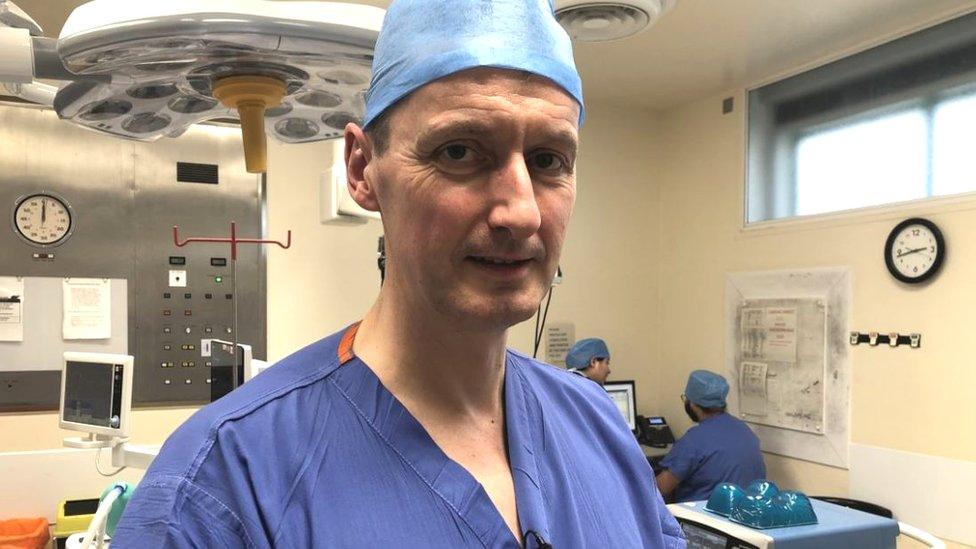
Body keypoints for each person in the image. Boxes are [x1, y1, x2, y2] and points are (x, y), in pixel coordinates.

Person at [111, 1, 685, 547]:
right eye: (459, 152)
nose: (522, 212)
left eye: (548, 160)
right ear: (363, 170)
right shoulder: (224, 482)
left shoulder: (595, 424)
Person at [655, 370, 766, 503]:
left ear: (694, 405)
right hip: (743, 517)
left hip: (703, 518)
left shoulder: (694, 440)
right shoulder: (745, 430)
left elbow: (660, 488)